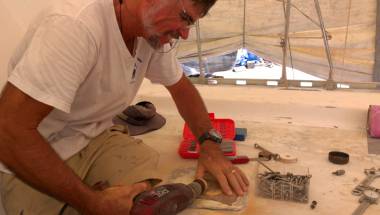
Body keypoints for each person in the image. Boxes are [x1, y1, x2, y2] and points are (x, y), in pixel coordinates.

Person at [0, 0, 249, 214]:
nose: (184, 34)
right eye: (184, 17)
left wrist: (208, 143)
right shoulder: (75, 25)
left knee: (147, 192)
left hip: (91, 137)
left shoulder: (152, 33)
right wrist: (92, 203)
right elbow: (9, 131)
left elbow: (181, 88)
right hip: (32, 152)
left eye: (190, 24)